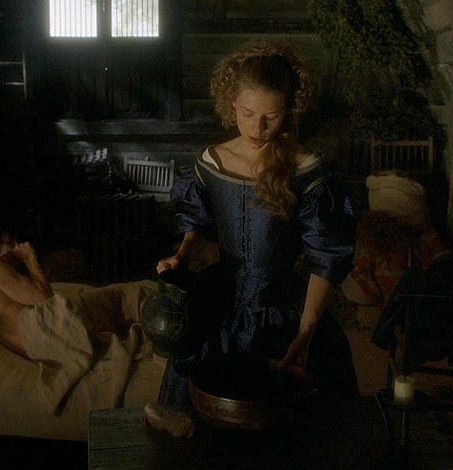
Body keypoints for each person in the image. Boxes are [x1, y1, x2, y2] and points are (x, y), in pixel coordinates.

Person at [154, 40, 360, 414]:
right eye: (247, 113)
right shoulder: (212, 161)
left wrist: (307, 329)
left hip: (281, 310)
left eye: (272, 116)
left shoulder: (306, 169)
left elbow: (325, 256)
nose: (258, 127)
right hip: (221, 302)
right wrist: (181, 256)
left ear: (290, 109)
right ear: (231, 101)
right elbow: (197, 221)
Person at [0, 230, 54, 358]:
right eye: (9, 243)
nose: (16, 247)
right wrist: (30, 259)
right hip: (46, 344)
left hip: (37, 346)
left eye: (16, 242)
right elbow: (49, 304)